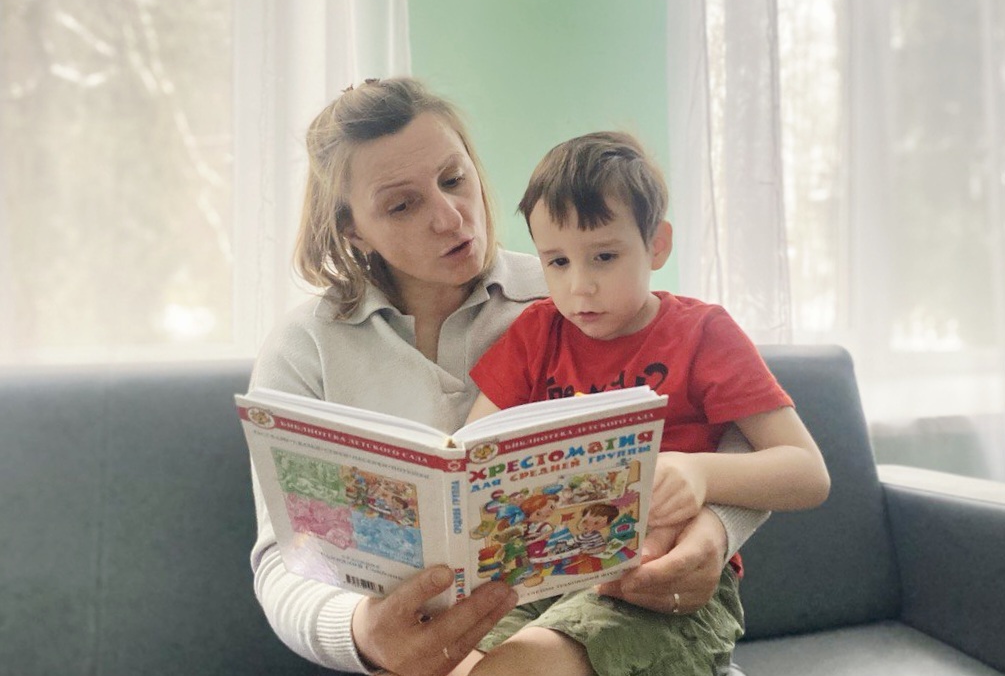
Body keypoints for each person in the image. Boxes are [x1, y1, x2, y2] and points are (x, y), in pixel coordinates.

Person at [248, 77, 771, 676]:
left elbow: (740, 435)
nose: (450, 217)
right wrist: (362, 635)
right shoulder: (305, 347)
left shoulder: (573, 287)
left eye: (454, 179)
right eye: (402, 205)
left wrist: (716, 533)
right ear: (352, 229)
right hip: (461, 646)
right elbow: (284, 560)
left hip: (616, 620)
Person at [463, 130, 832, 675]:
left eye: (604, 256)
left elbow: (807, 473)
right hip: (541, 578)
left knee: (522, 666)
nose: (580, 287)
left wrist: (699, 472)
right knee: (443, 662)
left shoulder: (703, 333)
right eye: (557, 262)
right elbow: (469, 455)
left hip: (659, 586)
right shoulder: (535, 334)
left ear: (657, 245)